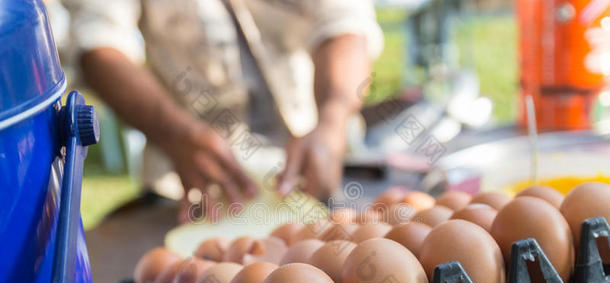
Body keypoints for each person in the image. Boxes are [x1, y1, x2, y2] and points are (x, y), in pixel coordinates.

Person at [61, 0, 383, 220]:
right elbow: (98, 44)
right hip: (191, 190)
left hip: (309, 175)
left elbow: (345, 24)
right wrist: (175, 133)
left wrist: (332, 121)